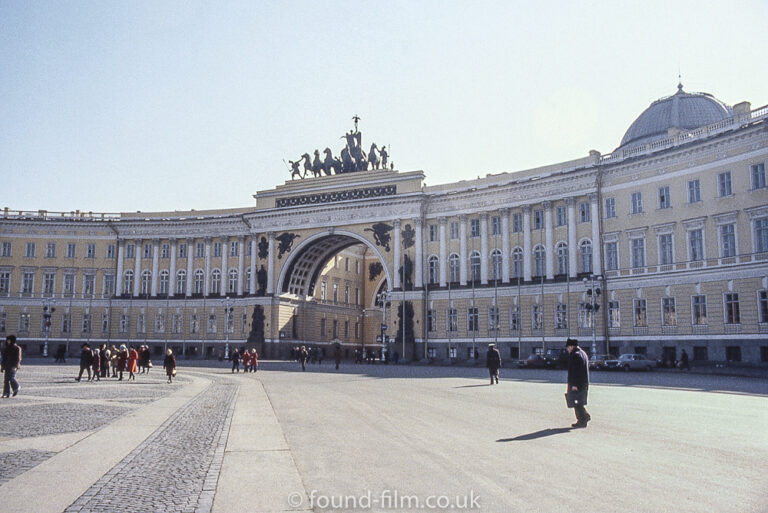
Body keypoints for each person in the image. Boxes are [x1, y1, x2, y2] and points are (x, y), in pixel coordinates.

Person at [565, 338, 591, 428]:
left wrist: (575, 385)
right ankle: (585, 417)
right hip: (584, 383)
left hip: (577, 384)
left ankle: (582, 420)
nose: (567, 350)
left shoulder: (575, 355)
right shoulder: (583, 353)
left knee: (576, 402)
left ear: (571, 346)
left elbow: (576, 371)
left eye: (567, 348)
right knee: (579, 402)